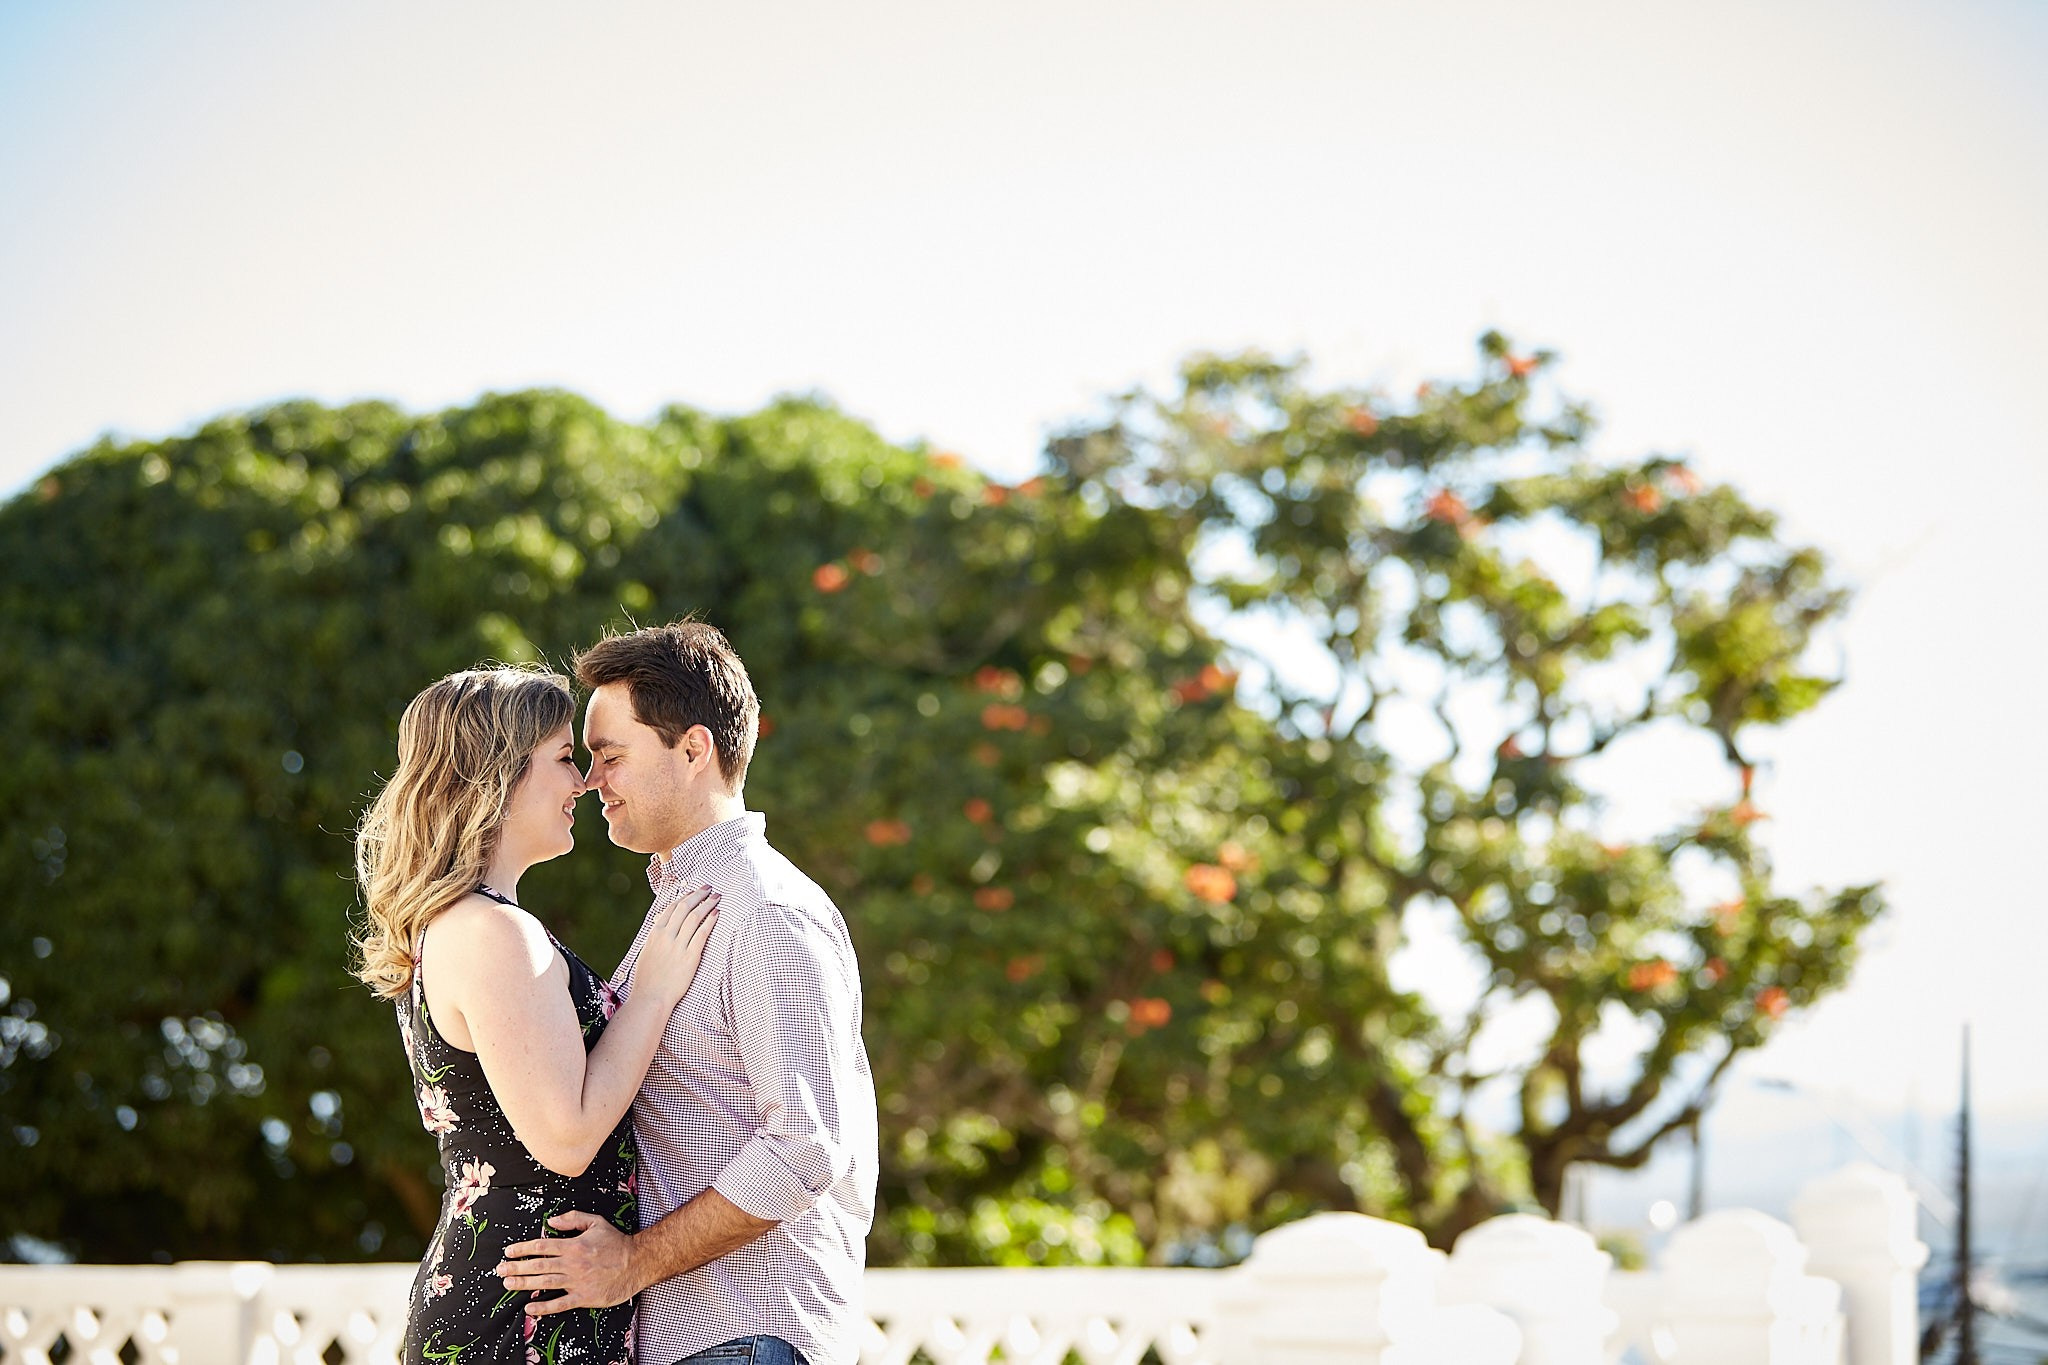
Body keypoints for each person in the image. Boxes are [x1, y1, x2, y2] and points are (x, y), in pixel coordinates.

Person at [494, 621, 878, 1365]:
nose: (591, 780)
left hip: (746, 1335)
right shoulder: (689, 901)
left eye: (611, 756)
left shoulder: (765, 910)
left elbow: (805, 1147)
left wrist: (632, 1262)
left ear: (694, 750)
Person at [353, 665, 720, 1365]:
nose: (582, 782)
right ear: (499, 775)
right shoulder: (491, 932)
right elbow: (568, 1137)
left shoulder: (468, 923)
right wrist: (652, 993)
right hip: (516, 1316)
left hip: (532, 1299)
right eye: (562, 758)